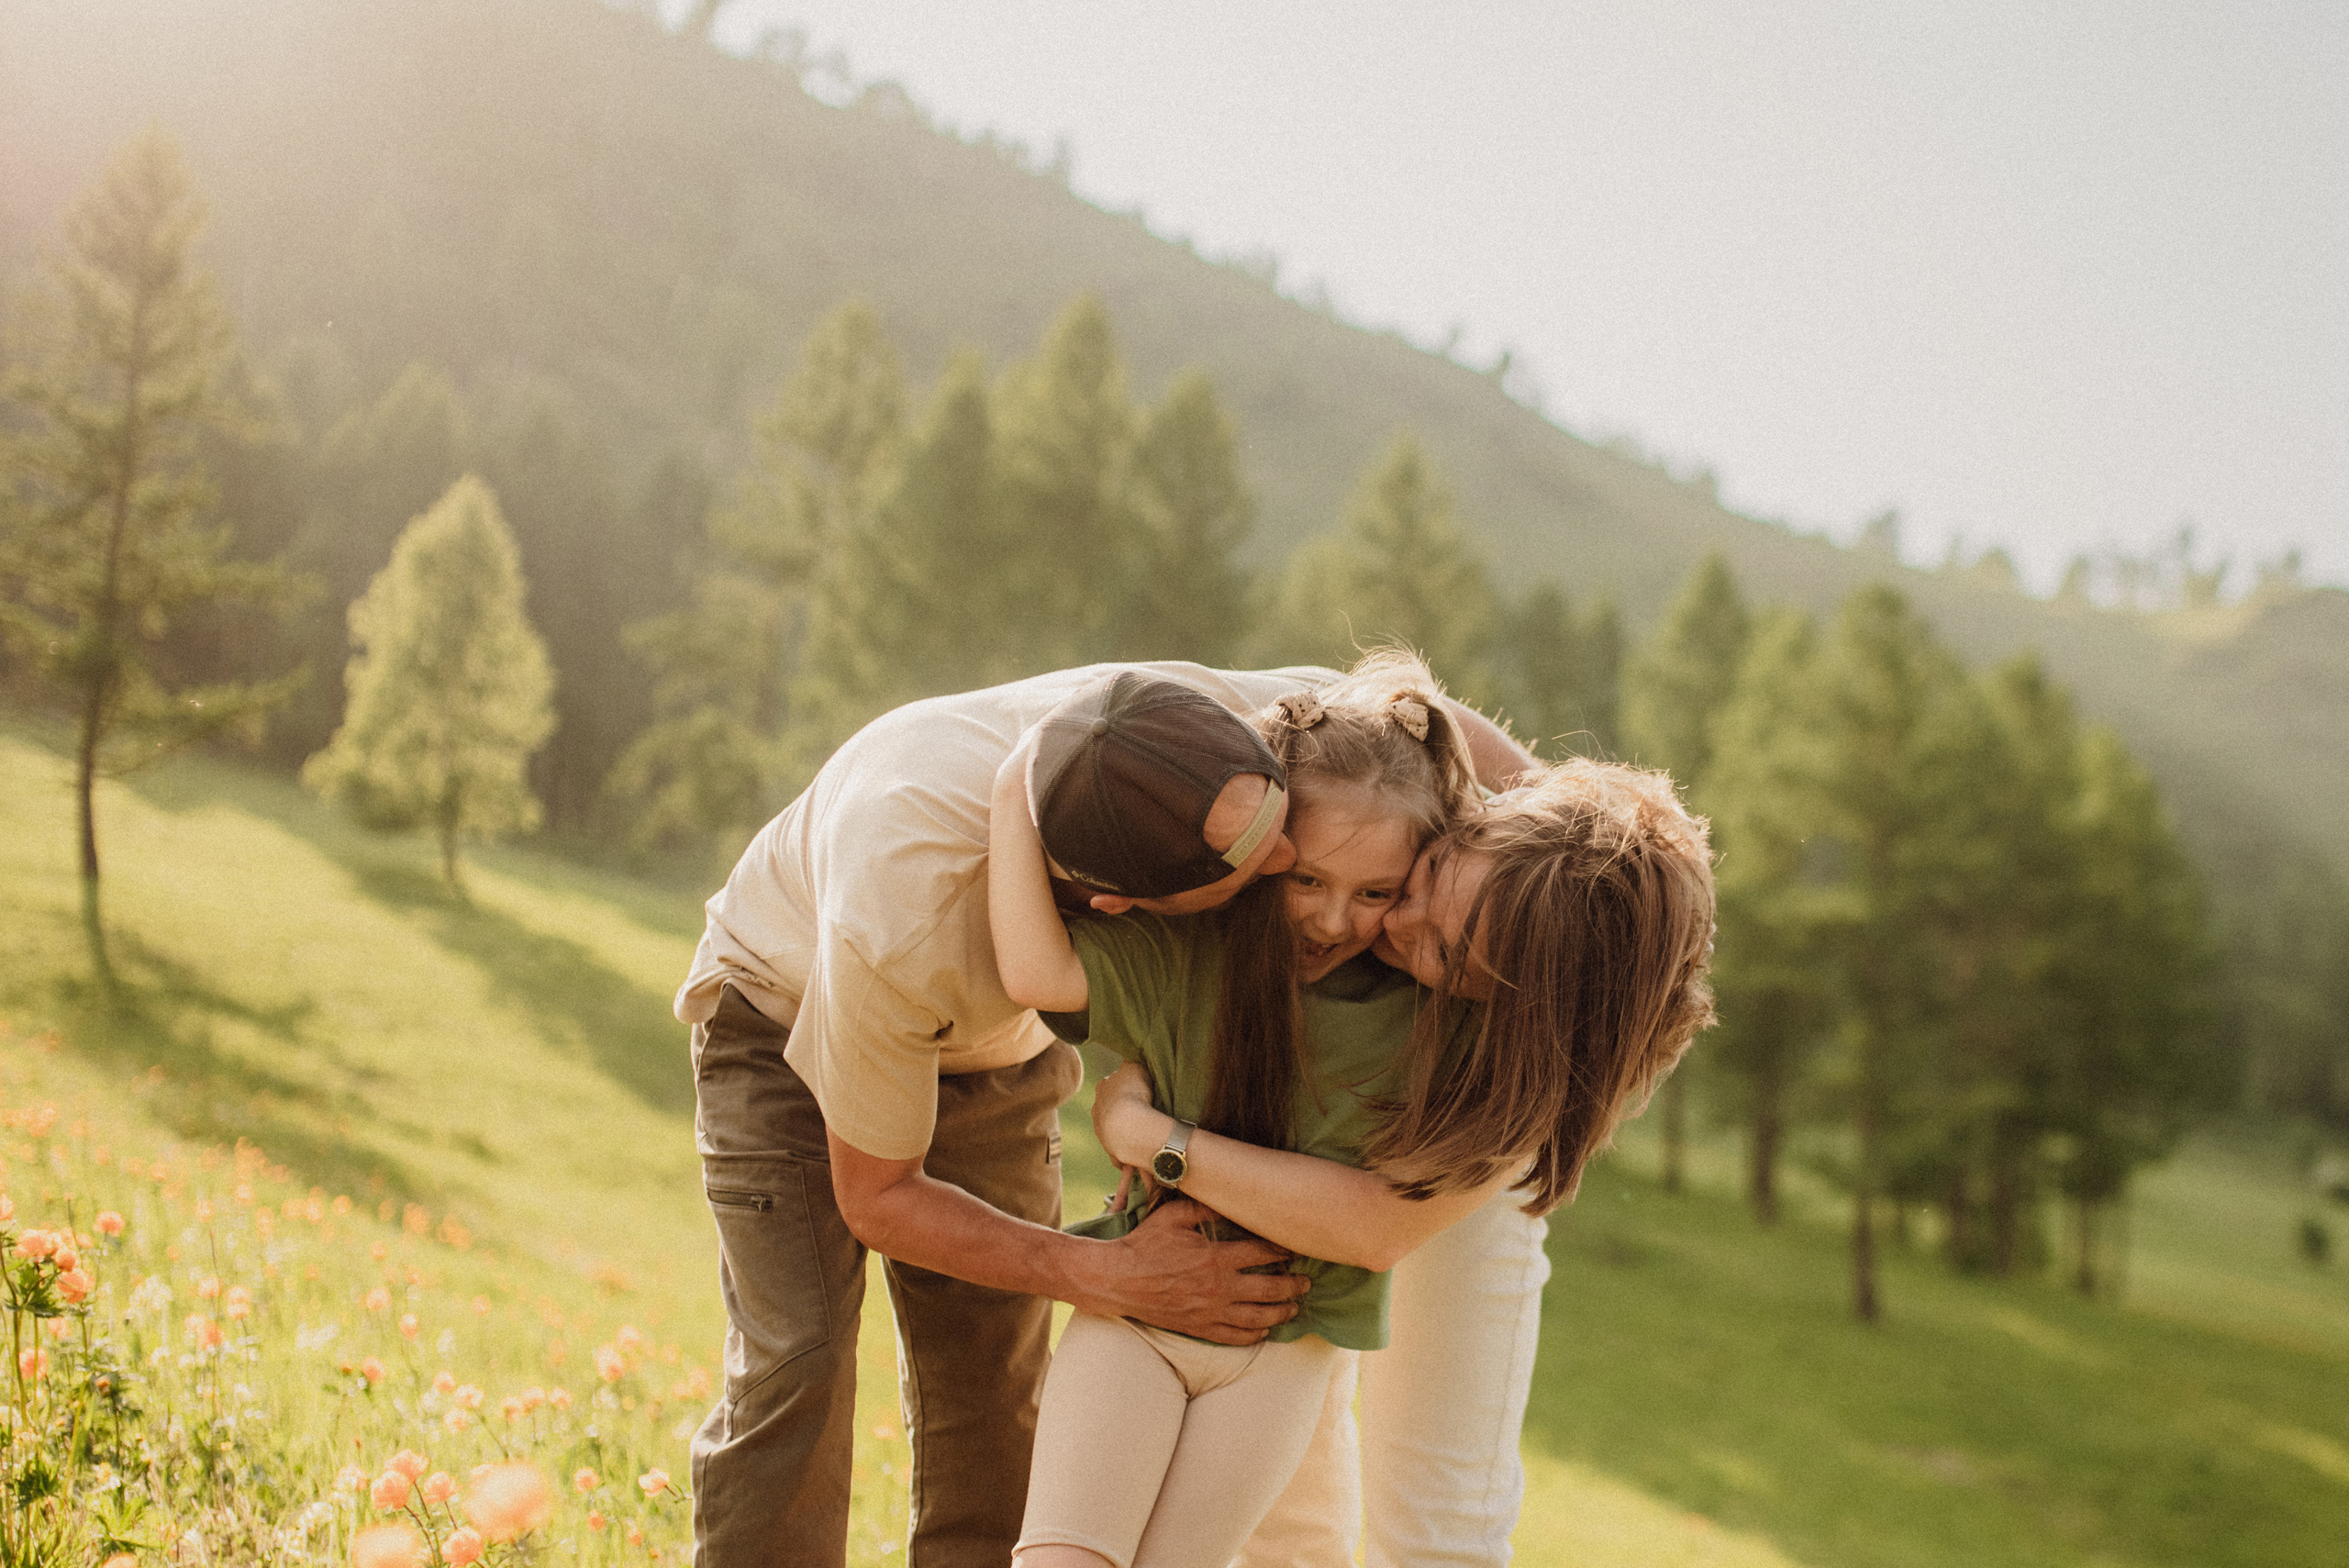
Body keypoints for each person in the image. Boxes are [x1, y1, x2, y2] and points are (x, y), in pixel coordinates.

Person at [677, 659, 1530, 1568]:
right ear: (1126, 908)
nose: (1289, 862)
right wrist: (1105, 1271)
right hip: (788, 1004)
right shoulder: (899, 919)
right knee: (797, 1361)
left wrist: (1608, 861)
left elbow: (1416, 709)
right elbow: (880, 1197)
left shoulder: (1242, 737)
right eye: (1265, 865)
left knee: (990, 1372)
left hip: (990, 1043)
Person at [1088, 757, 1718, 1568]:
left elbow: (1369, 1226)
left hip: (1444, 1153)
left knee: (1435, 1518)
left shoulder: (1546, 1049)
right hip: (1307, 1101)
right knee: (1282, 1506)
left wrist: (1154, 1139)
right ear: (1473, 824)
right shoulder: (1426, 777)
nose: (1389, 927)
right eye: (1423, 884)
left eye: (1445, 957)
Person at [989, 660, 1487, 1568]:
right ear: (1265, 849)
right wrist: (1011, 785)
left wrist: (1149, 1136)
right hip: (1135, 1306)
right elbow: (1034, 973)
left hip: (1284, 1344)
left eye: (1375, 892)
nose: (1335, 918)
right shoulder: (1190, 954)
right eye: (1310, 881)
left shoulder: (1430, 1015)